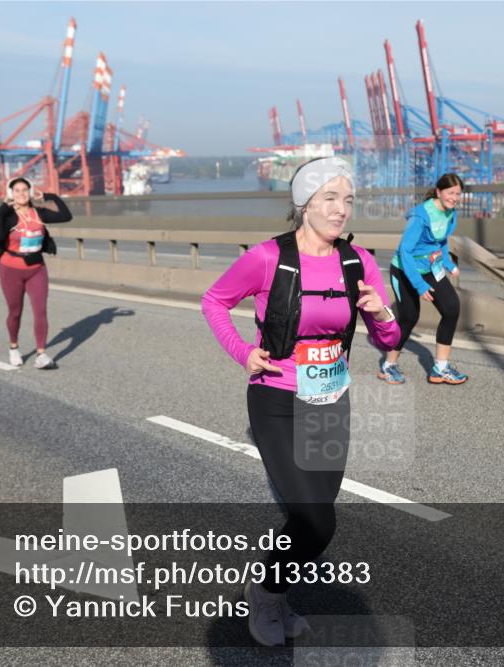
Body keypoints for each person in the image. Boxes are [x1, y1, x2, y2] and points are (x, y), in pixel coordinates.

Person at [201, 157, 400, 646]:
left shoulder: (358, 261)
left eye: (348, 200)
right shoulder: (268, 257)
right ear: (304, 203)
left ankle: (276, 592)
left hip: (330, 397)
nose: (341, 210)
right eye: (330, 198)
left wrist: (380, 313)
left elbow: (389, 337)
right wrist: (243, 352)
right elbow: (215, 301)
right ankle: (266, 596)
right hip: (277, 397)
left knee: (312, 520)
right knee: (316, 519)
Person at [379, 173, 468, 385]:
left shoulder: (450, 213)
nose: (454, 198)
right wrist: (419, 285)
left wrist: (447, 263)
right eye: (450, 193)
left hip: (430, 267)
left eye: (458, 194)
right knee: (409, 317)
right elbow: (405, 252)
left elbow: (441, 240)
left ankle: (440, 368)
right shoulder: (421, 216)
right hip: (404, 270)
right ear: (439, 192)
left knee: (451, 308)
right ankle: (388, 366)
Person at [0, 177, 72, 369]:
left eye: (25, 190)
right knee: (15, 312)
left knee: (40, 311)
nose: (21, 194)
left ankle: (41, 354)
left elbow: (66, 216)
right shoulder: (7, 215)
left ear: (30, 192)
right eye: (16, 191)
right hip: (11, 269)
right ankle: (13, 348)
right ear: (11, 194)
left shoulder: (39, 213)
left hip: (37, 268)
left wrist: (50, 196)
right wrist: (2, 208)